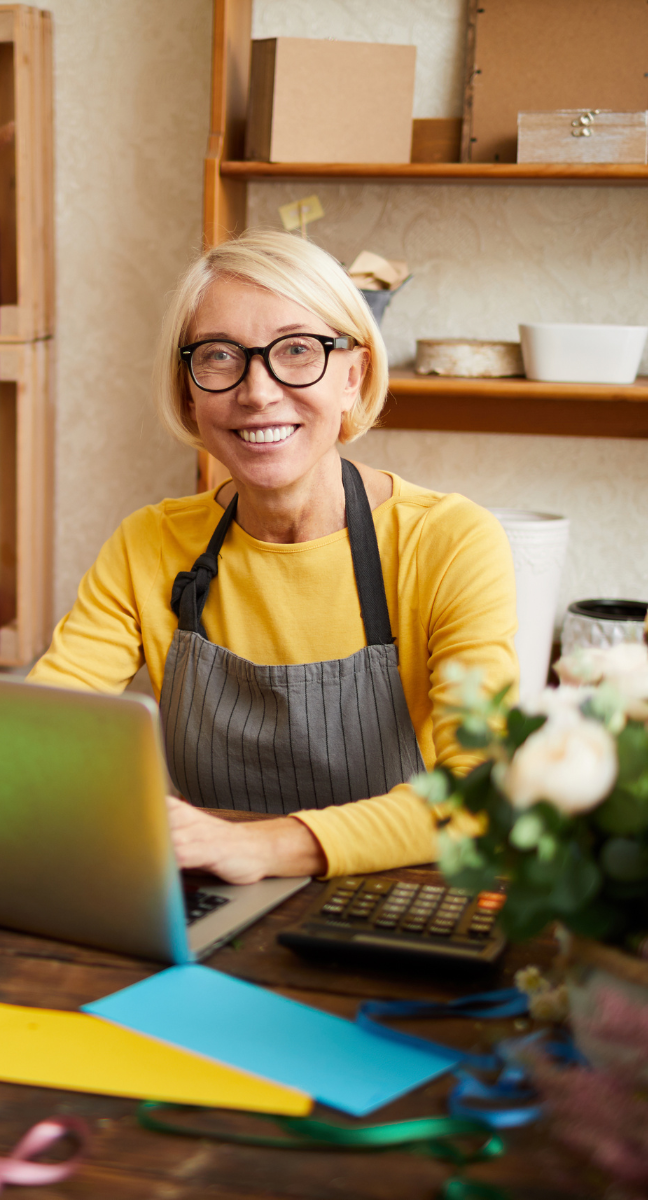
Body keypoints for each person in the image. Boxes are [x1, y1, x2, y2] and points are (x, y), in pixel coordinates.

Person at [28, 230, 517, 885]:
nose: (257, 392)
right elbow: (40, 734)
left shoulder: (450, 542)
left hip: (392, 905)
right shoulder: (148, 546)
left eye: (296, 351)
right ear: (188, 392)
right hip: (209, 903)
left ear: (353, 375)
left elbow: (477, 795)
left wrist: (261, 848)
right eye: (221, 357)